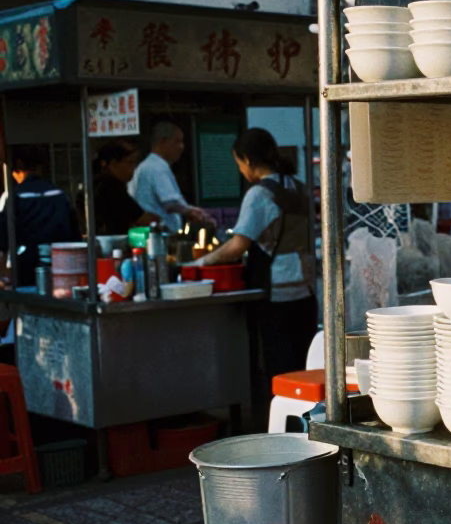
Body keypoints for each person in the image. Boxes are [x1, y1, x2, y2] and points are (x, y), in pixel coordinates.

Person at [194, 128, 316, 407]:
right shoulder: (298, 187)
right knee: (303, 368)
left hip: (275, 293)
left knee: (277, 367)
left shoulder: (260, 194)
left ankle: (277, 426)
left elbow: (237, 245)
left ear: (248, 159)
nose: (240, 170)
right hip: (306, 290)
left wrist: (201, 262)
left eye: (238, 164)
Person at [0, 146, 81, 286]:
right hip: (62, 269)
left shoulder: (15, 197)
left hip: (25, 272)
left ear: (18, 165)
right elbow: (75, 236)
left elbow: (2, 238)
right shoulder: (60, 195)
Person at [130, 121, 215, 232]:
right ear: (163, 142)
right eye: (177, 142)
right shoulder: (156, 167)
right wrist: (191, 211)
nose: (181, 147)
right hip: (159, 233)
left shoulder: (147, 165)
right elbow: (170, 202)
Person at [93, 140, 159, 235]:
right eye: (130, 162)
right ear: (113, 164)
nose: (134, 168)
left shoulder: (100, 184)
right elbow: (144, 220)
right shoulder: (111, 187)